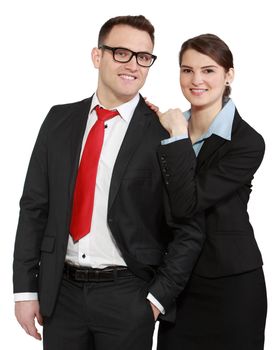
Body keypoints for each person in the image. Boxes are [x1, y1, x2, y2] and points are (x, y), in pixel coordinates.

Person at [13, 15, 205, 350]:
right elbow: (34, 208)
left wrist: (155, 300)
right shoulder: (59, 120)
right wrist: (26, 290)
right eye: (121, 53)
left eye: (143, 57)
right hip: (61, 294)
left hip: (128, 296)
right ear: (97, 56)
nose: (133, 65)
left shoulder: (163, 134)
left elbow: (189, 226)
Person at [148, 34, 267, 349]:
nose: (196, 79)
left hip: (231, 285)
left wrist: (175, 138)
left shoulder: (247, 142)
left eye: (208, 70)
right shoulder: (163, 130)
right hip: (176, 286)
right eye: (187, 70)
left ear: (229, 75)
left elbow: (188, 203)